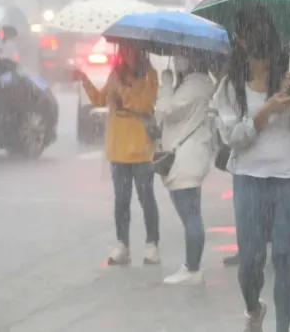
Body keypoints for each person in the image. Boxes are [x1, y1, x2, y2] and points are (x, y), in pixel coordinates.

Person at [212, 7, 290, 332]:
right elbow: (232, 138)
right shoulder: (230, 86)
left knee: (285, 257)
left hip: (289, 178)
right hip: (248, 179)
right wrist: (265, 111)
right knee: (250, 261)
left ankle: (283, 327)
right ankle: (253, 306)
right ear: (242, 42)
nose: (263, 57)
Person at [75, 42, 160, 265]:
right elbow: (101, 99)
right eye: (123, 50)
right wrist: (84, 79)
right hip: (118, 148)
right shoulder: (115, 74)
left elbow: (145, 103)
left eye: (130, 49)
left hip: (141, 149)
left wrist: (124, 94)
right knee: (121, 200)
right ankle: (123, 244)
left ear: (140, 51)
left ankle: (152, 244)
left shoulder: (150, 75)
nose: (126, 54)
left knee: (146, 198)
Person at [155, 53, 216, 285]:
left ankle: (192, 267)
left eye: (181, 56)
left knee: (190, 215)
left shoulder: (195, 84)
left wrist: (167, 85)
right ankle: (192, 265)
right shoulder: (196, 83)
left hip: (187, 158)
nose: (177, 60)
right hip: (187, 156)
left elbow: (165, 110)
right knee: (190, 213)